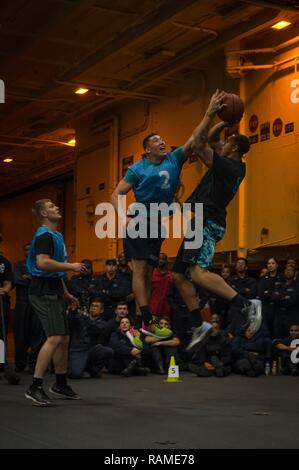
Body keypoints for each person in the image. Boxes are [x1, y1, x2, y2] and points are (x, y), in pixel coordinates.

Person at [172, 90, 262, 350]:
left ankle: (246, 305)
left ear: (233, 147)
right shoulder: (230, 164)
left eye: (226, 140)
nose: (221, 143)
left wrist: (211, 113)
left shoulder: (229, 166)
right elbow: (208, 140)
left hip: (207, 221)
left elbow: (200, 143)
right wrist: (224, 122)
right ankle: (199, 323)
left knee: (198, 274)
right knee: (179, 275)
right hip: (201, 220)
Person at [111, 116, 217, 333]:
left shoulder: (173, 159)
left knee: (149, 273)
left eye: (163, 140)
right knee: (139, 270)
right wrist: (124, 218)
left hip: (157, 224)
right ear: (147, 149)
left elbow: (195, 138)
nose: (162, 142)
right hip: (138, 221)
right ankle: (147, 318)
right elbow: (116, 193)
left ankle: (142, 322)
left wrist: (211, 115)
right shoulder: (137, 169)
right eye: (156, 140)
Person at [25, 199, 87, 406]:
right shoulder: (44, 235)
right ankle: (35, 387)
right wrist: (71, 266)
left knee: (64, 338)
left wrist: (66, 293)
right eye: (52, 207)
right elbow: (42, 263)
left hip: (54, 290)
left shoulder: (56, 236)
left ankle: (60, 383)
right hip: (42, 292)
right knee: (54, 337)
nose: (57, 208)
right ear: (44, 213)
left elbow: (55, 270)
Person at [13, 243, 45, 373]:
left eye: (30, 249)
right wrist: (33, 278)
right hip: (22, 304)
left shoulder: (41, 264)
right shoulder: (19, 264)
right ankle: (20, 364)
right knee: (20, 335)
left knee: (37, 335)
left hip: (37, 304)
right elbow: (17, 280)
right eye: (26, 250)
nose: (28, 252)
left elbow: (42, 281)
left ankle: (33, 365)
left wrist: (28, 278)